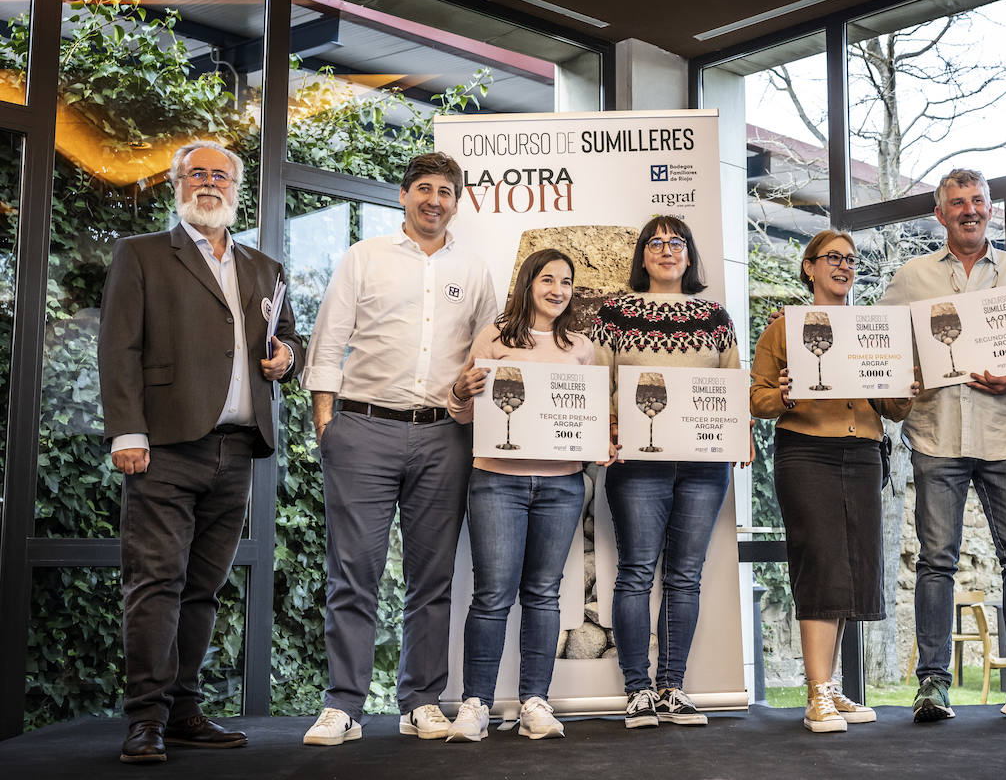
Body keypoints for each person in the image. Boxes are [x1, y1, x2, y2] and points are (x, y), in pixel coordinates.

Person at [100, 140, 302, 764]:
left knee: (203, 588)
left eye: (222, 175)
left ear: (235, 189)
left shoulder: (264, 267)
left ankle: (183, 710)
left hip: (235, 450)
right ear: (177, 183)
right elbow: (119, 347)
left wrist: (287, 357)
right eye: (199, 173)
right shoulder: (141, 255)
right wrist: (127, 431)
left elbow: (286, 336)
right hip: (164, 446)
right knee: (155, 582)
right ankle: (145, 720)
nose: (209, 182)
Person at [301, 151, 498, 746]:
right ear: (405, 196)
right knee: (352, 573)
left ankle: (420, 701)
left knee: (431, 578)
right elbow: (328, 342)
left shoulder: (475, 269)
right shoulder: (365, 259)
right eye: (423, 189)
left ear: (457, 202)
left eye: (445, 190)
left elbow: (489, 352)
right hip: (363, 431)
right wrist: (327, 426)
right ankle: (343, 705)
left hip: (445, 435)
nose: (434, 199)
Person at [878, 168, 1006, 724]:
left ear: (989, 209)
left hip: (1005, 437)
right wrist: (901, 374)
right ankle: (932, 683)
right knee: (935, 562)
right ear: (941, 214)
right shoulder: (911, 278)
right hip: (936, 436)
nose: (970, 210)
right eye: (958, 203)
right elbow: (879, 349)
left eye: (978, 200)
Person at [444, 249, 616, 743]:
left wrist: (601, 441)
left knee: (542, 595)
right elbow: (463, 412)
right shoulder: (495, 338)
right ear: (528, 284)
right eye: (547, 279)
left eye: (566, 282)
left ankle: (533, 702)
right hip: (498, 480)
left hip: (562, 485)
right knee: (492, 594)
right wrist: (460, 389)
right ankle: (475, 703)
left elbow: (590, 420)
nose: (557, 290)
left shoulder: (582, 348)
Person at [750, 230, 914, 733]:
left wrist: (901, 386)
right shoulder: (784, 329)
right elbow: (757, 401)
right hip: (808, 454)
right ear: (809, 268)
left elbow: (896, 408)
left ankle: (831, 686)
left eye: (851, 259)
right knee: (820, 563)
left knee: (847, 568)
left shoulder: (874, 330)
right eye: (833, 258)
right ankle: (816, 693)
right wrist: (788, 394)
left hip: (864, 453)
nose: (844, 266)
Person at [588, 215, 747, 729]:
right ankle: (637, 691)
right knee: (636, 573)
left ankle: (671, 688)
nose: (666, 250)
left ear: (689, 254)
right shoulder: (616, 313)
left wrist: (739, 430)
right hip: (636, 465)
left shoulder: (715, 317)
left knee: (685, 576)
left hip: (704, 466)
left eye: (676, 242)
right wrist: (608, 428)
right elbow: (598, 385)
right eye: (655, 243)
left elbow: (732, 384)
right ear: (642, 256)